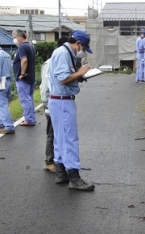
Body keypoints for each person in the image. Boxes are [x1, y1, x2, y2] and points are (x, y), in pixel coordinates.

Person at [48, 30, 95, 191]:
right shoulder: (63, 53)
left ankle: (61, 173)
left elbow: (65, 76)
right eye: (83, 48)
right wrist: (80, 73)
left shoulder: (64, 52)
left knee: (60, 138)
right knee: (69, 138)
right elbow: (63, 79)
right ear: (79, 44)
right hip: (62, 102)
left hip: (58, 101)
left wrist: (78, 75)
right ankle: (75, 178)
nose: (82, 52)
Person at [40, 36, 69, 173]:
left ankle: (59, 160)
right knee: (52, 133)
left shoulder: (62, 61)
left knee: (59, 133)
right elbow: (45, 86)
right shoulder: (50, 63)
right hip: (51, 102)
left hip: (60, 102)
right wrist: (47, 104)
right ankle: (49, 161)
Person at [12, 29, 36, 126]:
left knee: (25, 99)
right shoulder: (30, 46)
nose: (14, 39)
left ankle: (29, 119)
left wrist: (22, 73)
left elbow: (24, 60)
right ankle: (31, 117)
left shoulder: (22, 47)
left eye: (15, 37)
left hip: (24, 78)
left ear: (20, 37)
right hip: (31, 76)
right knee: (29, 98)